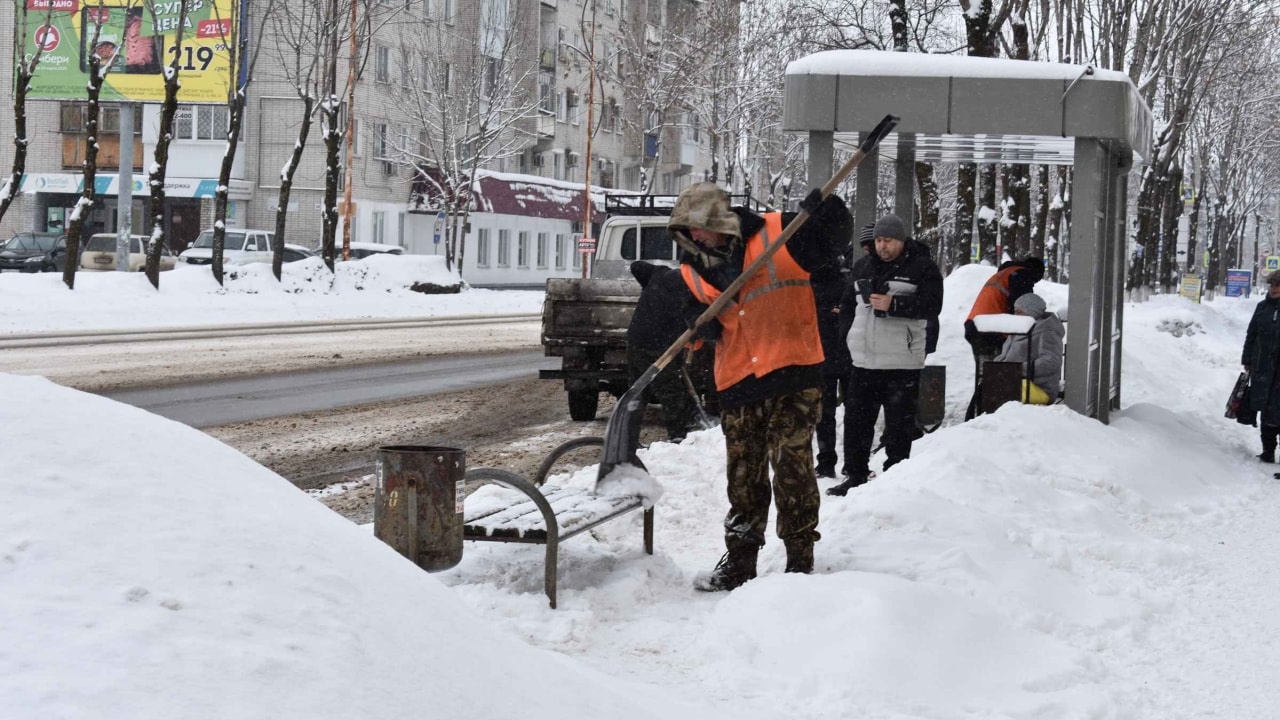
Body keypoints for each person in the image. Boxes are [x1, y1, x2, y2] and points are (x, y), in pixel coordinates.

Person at [671, 182, 851, 590]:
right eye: (685, 230)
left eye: (697, 227)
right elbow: (695, 314)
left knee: (792, 467)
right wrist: (700, 322)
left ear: (718, 221)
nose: (693, 236)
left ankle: (799, 560)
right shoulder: (692, 267)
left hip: (793, 368)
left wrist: (827, 209)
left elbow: (832, 245)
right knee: (743, 476)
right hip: (737, 379)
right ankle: (740, 562)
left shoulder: (782, 231)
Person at [828, 213, 943, 497]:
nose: (883, 246)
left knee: (899, 426)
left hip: (901, 362)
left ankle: (896, 476)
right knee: (856, 423)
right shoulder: (863, 267)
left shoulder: (922, 268)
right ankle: (855, 475)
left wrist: (895, 304)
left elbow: (932, 305)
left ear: (901, 241)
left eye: (888, 240)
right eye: (879, 240)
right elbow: (847, 305)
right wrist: (847, 337)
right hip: (864, 361)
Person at [625, 260, 700, 442]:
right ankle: (677, 438)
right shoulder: (693, 293)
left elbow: (636, 266)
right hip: (659, 348)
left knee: (636, 394)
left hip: (636, 340)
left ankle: (627, 440)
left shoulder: (660, 274)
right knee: (671, 393)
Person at [964, 257, 1045, 419]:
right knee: (995, 376)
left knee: (989, 375)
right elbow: (1021, 307)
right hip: (990, 330)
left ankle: (982, 414)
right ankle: (981, 416)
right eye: (1036, 281)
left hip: (977, 326)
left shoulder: (1007, 272)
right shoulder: (1021, 275)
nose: (1034, 284)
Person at [811, 222, 855, 479]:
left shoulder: (813, 280)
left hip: (828, 352)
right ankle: (842, 461)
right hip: (840, 352)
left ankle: (828, 462)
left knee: (827, 413)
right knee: (846, 412)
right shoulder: (845, 278)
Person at [992, 293, 1065, 403]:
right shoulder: (1019, 328)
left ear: (1032, 313)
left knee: (992, 395)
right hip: (1014, 381)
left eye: (1019, 312)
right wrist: (998, 365)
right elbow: (1006, 355)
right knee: (984, 391)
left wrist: (1018, 369)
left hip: (1036, 388)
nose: (1015, 315)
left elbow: (1051, 362)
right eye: (1015, 311)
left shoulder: (1047, 332)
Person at [1242, 270, 1280, 462]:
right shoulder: (1262, 308)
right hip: (1263, 367)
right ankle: (1268, 451)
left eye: (1278, 285)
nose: (1274, 289)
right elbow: (1252, 334)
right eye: (1272, 285)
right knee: (1266, 410)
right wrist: (1247, 360)